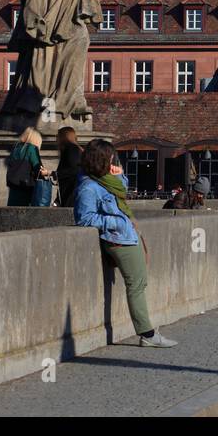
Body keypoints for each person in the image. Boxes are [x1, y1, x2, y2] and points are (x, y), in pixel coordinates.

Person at [74, 139, 177, 347]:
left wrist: (118, 173)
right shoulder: (89, 187)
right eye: (111, 157)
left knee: (139, 282)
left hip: (127, 235)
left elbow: (123, 188)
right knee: (136, 285)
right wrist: (117, 222)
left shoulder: (106, 179)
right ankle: (147, 335)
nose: (114, 159)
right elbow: (84, 219)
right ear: (102, 159)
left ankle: (147, 333)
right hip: (118, 238)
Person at [7, 127, 51, 207]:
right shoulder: (32, 149)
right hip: (27, 188)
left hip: (13, 188)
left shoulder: (15, 148)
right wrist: (46, 174)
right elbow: (38, 168)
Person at [56, 126, 82, 207]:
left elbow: (74, 169)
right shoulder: (73, 148)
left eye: (58, 136)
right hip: (70, 188)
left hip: (70, 188)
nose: (56, 139)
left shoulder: (71, 149)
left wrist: (54, 173)